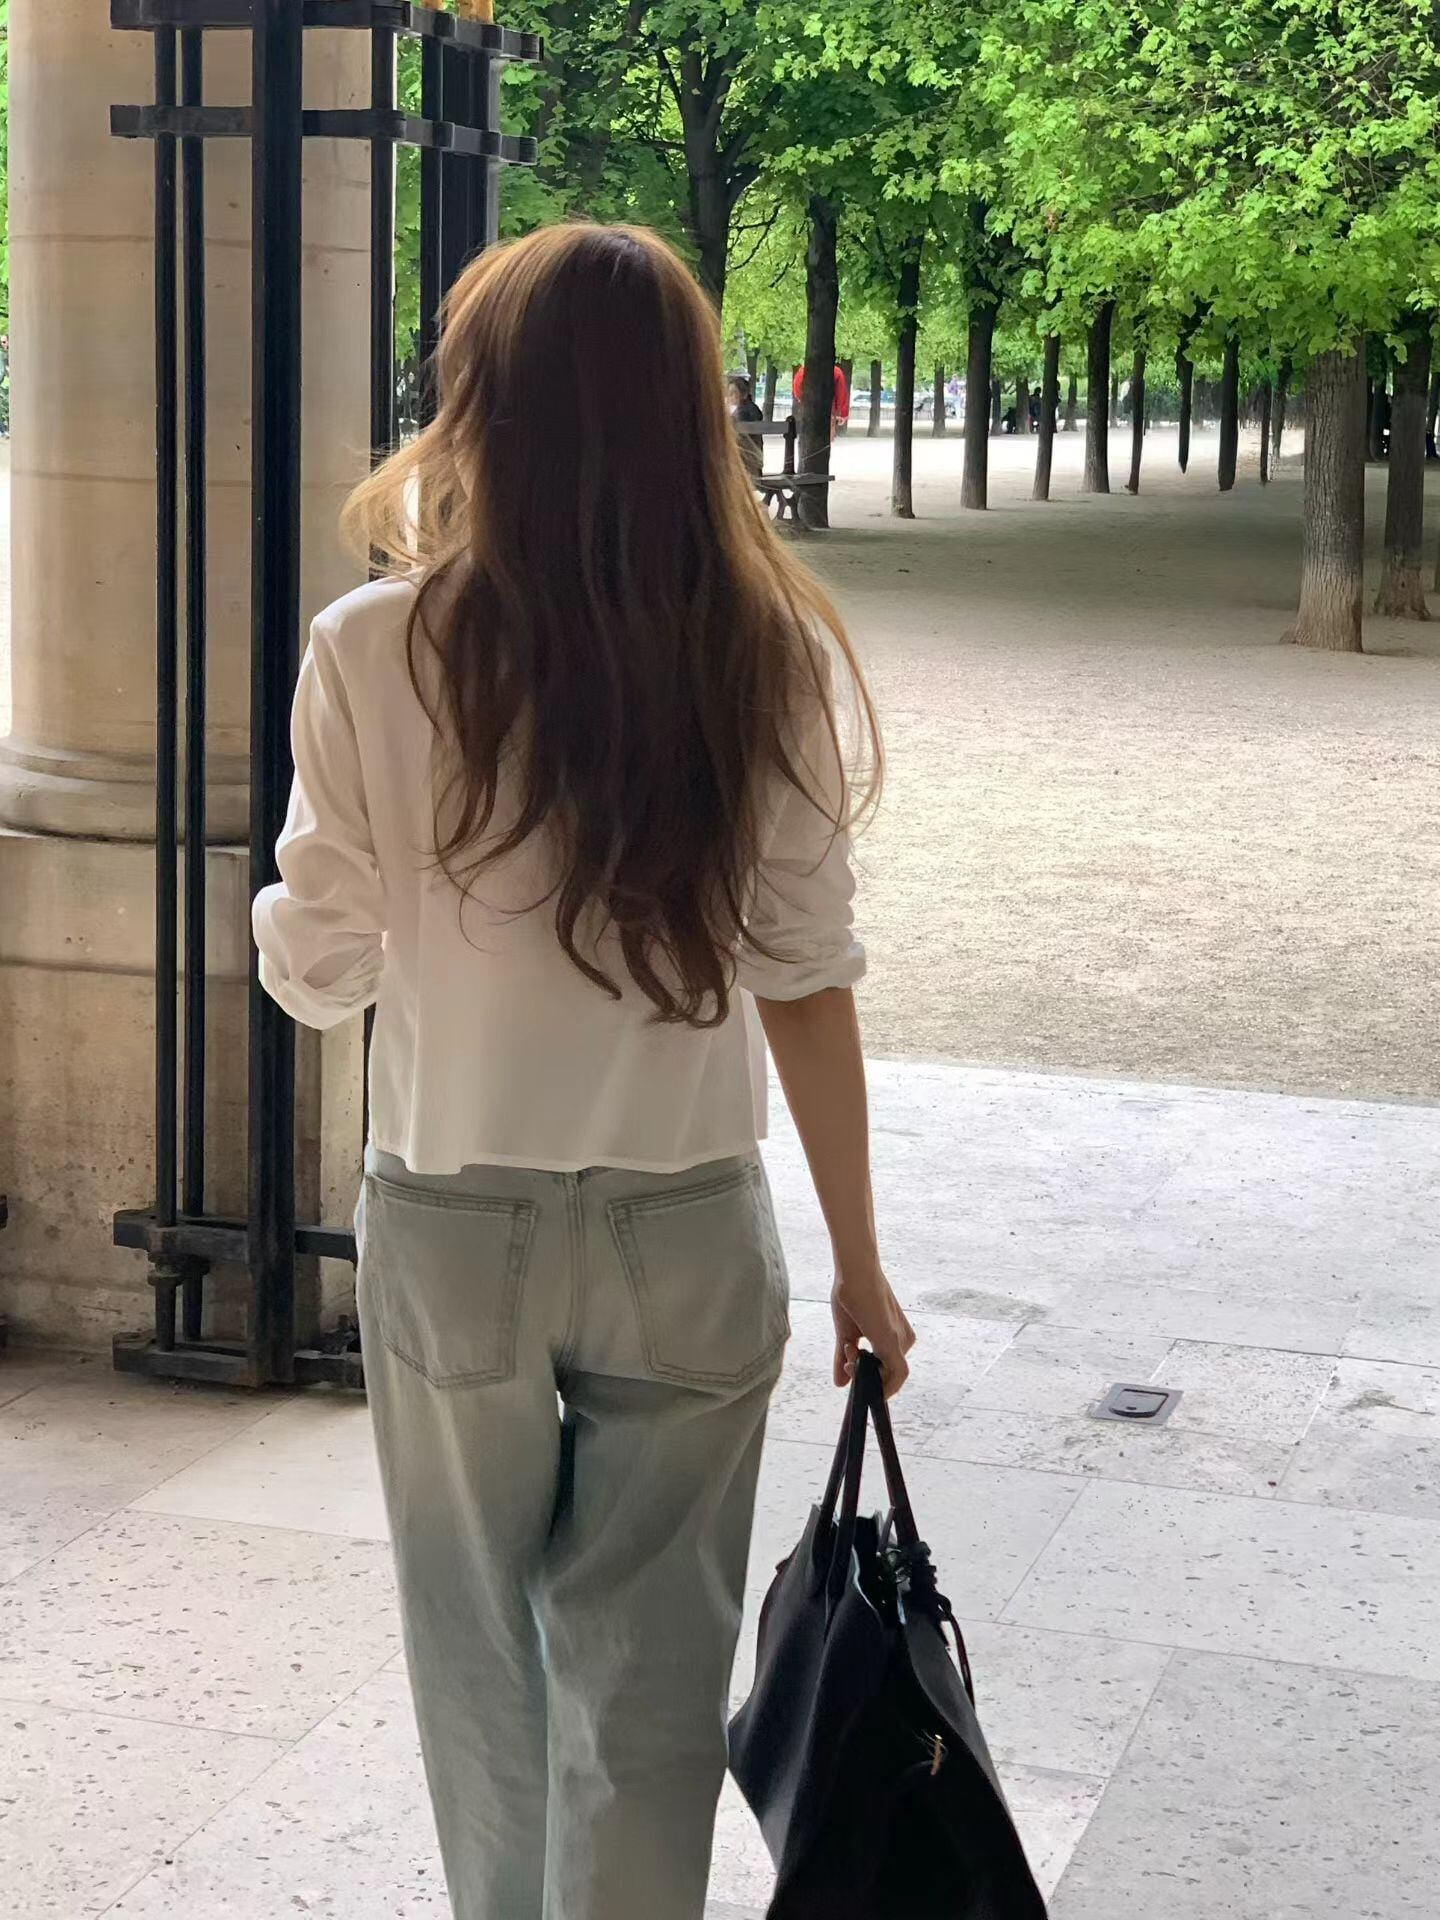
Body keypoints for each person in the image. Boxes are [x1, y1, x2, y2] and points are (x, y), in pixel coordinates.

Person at [252, 223, 914, 1920]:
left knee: (477, 1662)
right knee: (650, 1680)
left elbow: (317, 974)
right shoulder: (762, 654)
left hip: (452, 1211)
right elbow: (807, 973)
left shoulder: (371, 648)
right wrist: (860, 1263)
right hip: (687, 1220)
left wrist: (339, 901)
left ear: (482, 403)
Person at [792, 359, 850, 434]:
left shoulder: (802, 371)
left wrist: (802, 400)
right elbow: (841, 393)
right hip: (829, 410)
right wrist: (842, 413)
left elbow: (797, 389)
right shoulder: (835, 371)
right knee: (826, 435)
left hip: (809, 409)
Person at [728, 370, 764, 479]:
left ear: (743, 394)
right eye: (729, 393)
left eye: (733, 393)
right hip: (755, 460)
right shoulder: (753, 409)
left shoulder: (742, 412)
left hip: (746, 462)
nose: (730, 397)